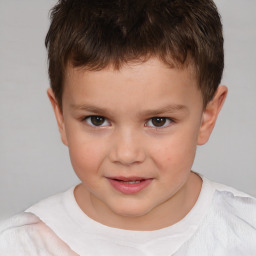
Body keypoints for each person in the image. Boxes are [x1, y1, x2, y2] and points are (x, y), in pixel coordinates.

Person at [0, 0, 255, 255]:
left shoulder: (246, 234)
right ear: (61, 117)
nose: (126, 154)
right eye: (97, 120)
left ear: (206, 118)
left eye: (158, 121)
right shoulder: (20, 245)